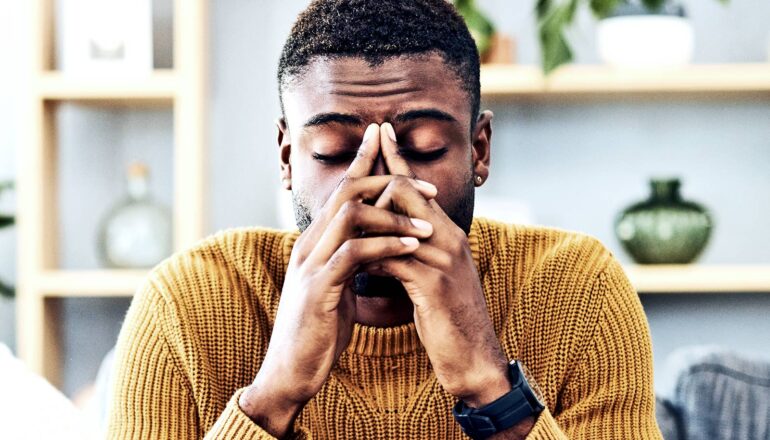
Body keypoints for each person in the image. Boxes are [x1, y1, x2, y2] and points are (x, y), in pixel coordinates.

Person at [109, 0, 662, 438]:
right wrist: (274, 395)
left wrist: (488, 385)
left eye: (421, 148)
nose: (377, 188)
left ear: (480, 150)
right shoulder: (187, 304)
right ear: (287, 157)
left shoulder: (578, 288)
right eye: (332, 152)